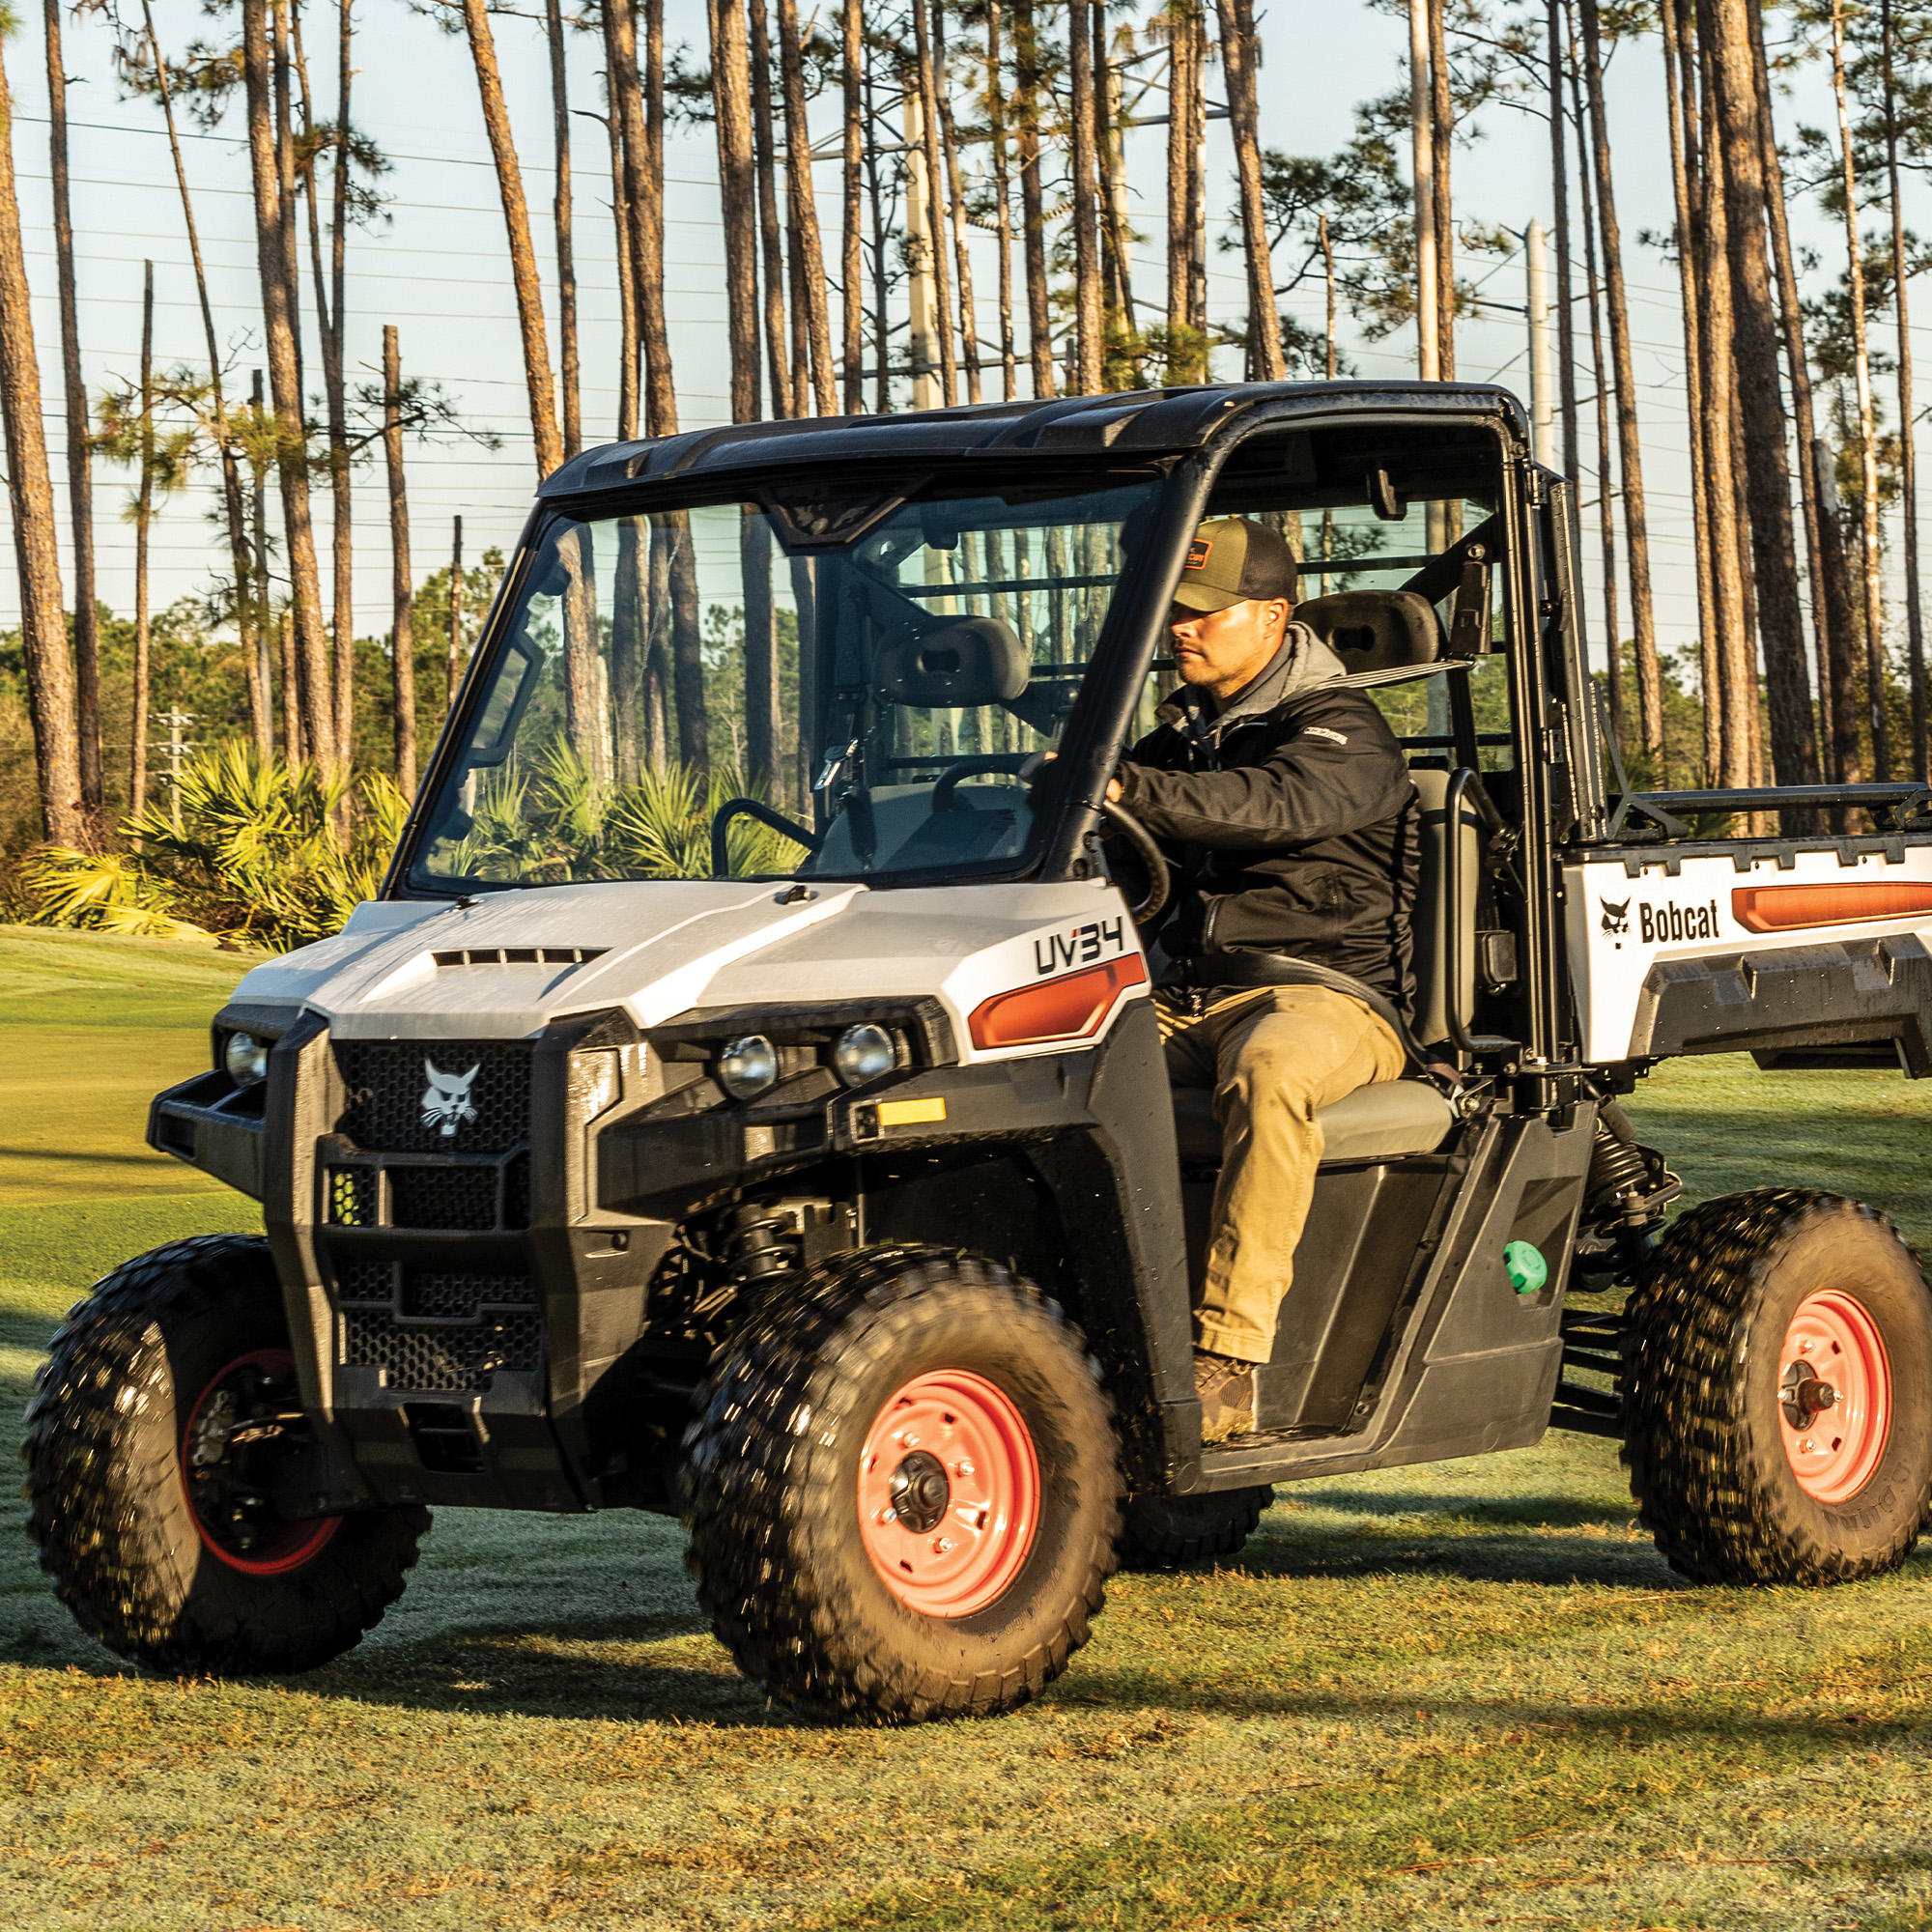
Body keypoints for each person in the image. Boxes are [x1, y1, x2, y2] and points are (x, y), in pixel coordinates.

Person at [1107, 515, 1421, 1440]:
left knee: (1273, 1072)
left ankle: (1229, 1360)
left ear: (1275, 616)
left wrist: (1130, 790)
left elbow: (1275, 805)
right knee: (1040, 1063)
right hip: (1189, 992)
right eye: (1174, 610)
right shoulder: (1183, 741)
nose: (1181, 627)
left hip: (1326, 995)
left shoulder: (1341, 730)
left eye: (1206, 611)